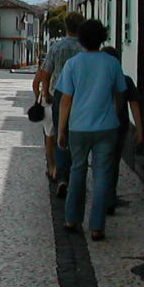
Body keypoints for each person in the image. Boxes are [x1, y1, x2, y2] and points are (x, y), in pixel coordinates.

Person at [55, 19, 126, 241]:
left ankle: (71, 219)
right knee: (102, 174)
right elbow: (120, 93)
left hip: (79, 127)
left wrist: (61, 130)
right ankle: (97, 226)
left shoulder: (73, 64)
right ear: (103, 37)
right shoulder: (112, 63)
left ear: (81, 39)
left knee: (77, 171)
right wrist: (114, 113)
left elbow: (66, 100)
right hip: (107, 126)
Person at [32, 12, 85, 198]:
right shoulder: (85, 48)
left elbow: (45, 74)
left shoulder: (57, 46)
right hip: (81, 97)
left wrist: (45, 93)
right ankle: (76, 174)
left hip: (59, 95)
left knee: (59, 134)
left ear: (65, 25)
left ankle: (61, 176)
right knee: (78, 137)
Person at [101, 46, 144, 213]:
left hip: (99, 127)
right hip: (119, 128)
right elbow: (134, 106)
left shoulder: (98, 81)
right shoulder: (126, 80)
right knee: (113, 163)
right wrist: (139, 129)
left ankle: (103, 197)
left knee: (102, 164)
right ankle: (109, 198)